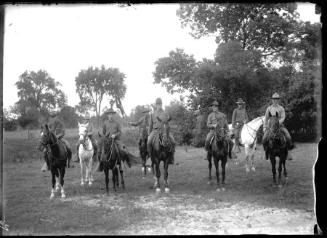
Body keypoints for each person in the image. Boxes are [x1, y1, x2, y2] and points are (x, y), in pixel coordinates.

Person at [95, 107, 136, 172]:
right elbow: (104, 133)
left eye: (111, 114)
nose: (110, 115)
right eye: (109, 114)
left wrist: (115, 135)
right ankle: (101, 164)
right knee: (100, 151)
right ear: (107, 115)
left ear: (113, 115)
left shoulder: (117, 123)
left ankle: (123, 163)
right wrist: (104, 138)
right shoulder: (105, 123)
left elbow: (120, 132)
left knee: (123, 150)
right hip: (107, 141)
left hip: (116, 140)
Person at [262, 93, 294, 160]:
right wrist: (265, 126)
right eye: (274, 99)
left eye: (276, 99)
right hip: (270, 127)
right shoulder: (269, 108)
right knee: (264, 138)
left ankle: (288, 153)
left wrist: (277, 123)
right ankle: (266, 152)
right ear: (272, 100)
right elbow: (266, 118)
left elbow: (283, 117)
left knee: (288, 136)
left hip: (280, 126)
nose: (275, 101)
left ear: (278, 100)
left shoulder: (281, 108)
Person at [147, 97, 176, 164]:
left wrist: (168, 130)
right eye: (158, 104)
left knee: (173, 142)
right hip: (155, 131)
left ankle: (171, 157)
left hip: (164, 131)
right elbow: (150, 125)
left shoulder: (165, 113)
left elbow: (167, 123)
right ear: (156, 105)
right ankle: (150, 158)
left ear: (161, 104)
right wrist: (149, 134)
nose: (159, 105)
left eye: (160, 104)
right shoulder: (152, 114)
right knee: (148, 142)